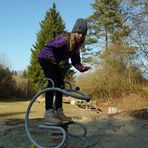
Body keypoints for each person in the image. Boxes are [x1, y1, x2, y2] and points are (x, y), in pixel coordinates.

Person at [38, 18, 90, 125]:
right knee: (52, 82)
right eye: (79, 32)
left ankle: (59, 111)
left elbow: (75, 62)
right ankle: (48, 113)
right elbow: (48, 47)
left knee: (60, 84)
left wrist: (82, 68)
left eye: (83, 34)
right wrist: (50, 56)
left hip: (54, 62)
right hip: (45, 57)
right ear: (74, 31)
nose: (81, 35)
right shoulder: (64, 39)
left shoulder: (76, 46)